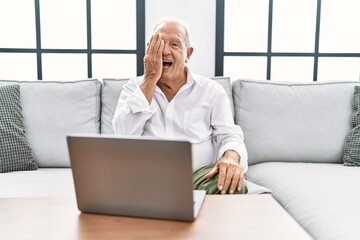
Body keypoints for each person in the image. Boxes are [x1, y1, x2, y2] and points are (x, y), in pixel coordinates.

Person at [112, 18, 248, 194]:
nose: (165, 51)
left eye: (174, 45)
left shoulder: (211, 90)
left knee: (231, 184)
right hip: (146, 178)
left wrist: (230, 157)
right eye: (159, 44)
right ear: (149, 50)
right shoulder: (134, 88)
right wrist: (150, 79)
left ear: (188, 54)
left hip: (198, 179)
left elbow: (230, 136)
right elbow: (122, 137)